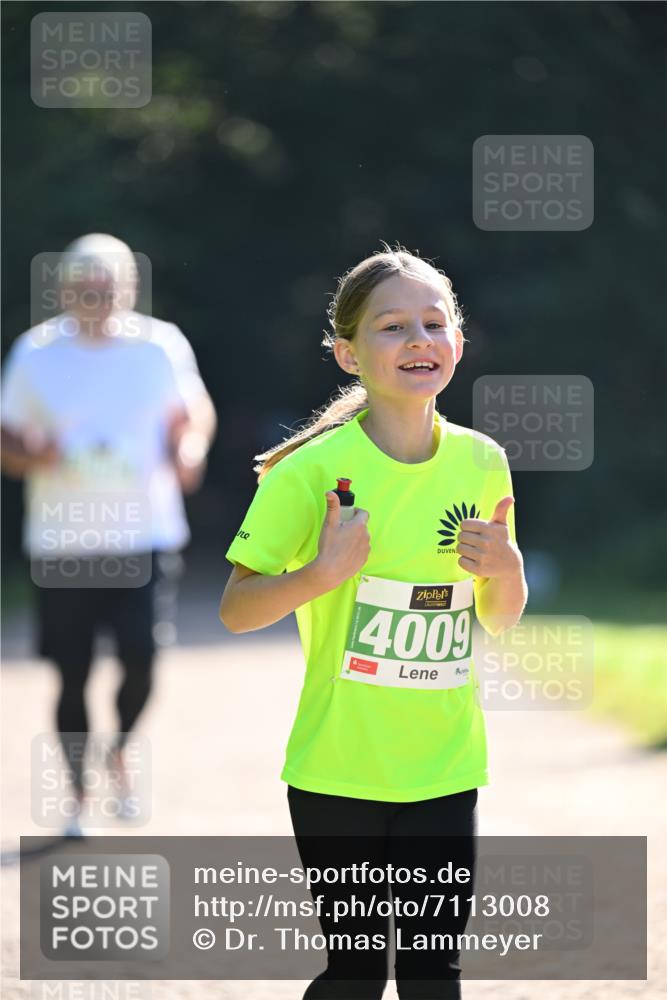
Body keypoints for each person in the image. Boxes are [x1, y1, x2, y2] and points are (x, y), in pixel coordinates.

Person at [219, 246, 527, 999]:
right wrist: (319, 575)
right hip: (338, 772)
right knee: (355, 973)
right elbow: (235, 610)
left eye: (434, 323)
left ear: (458, 341)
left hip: (444, 767)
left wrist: (508, 569)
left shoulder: (482, 462)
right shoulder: (310, 473)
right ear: (348, 353)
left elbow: (497, 616)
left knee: (432, 972)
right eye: (393, 327)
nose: (419, 340)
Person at [1, 235, 215, 834]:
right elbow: (7, 435)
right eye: (85, 288)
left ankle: (118, 751)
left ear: (129, 288)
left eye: (108, 287)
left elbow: (193, 412)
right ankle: (77, 795)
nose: (97, 298)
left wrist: (190, 449)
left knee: (143, 657)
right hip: (62, 542)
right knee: (71, 672)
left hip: (146, 534)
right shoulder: (36, 352)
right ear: (65, 290)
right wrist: (32, 453)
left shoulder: (160, 345)